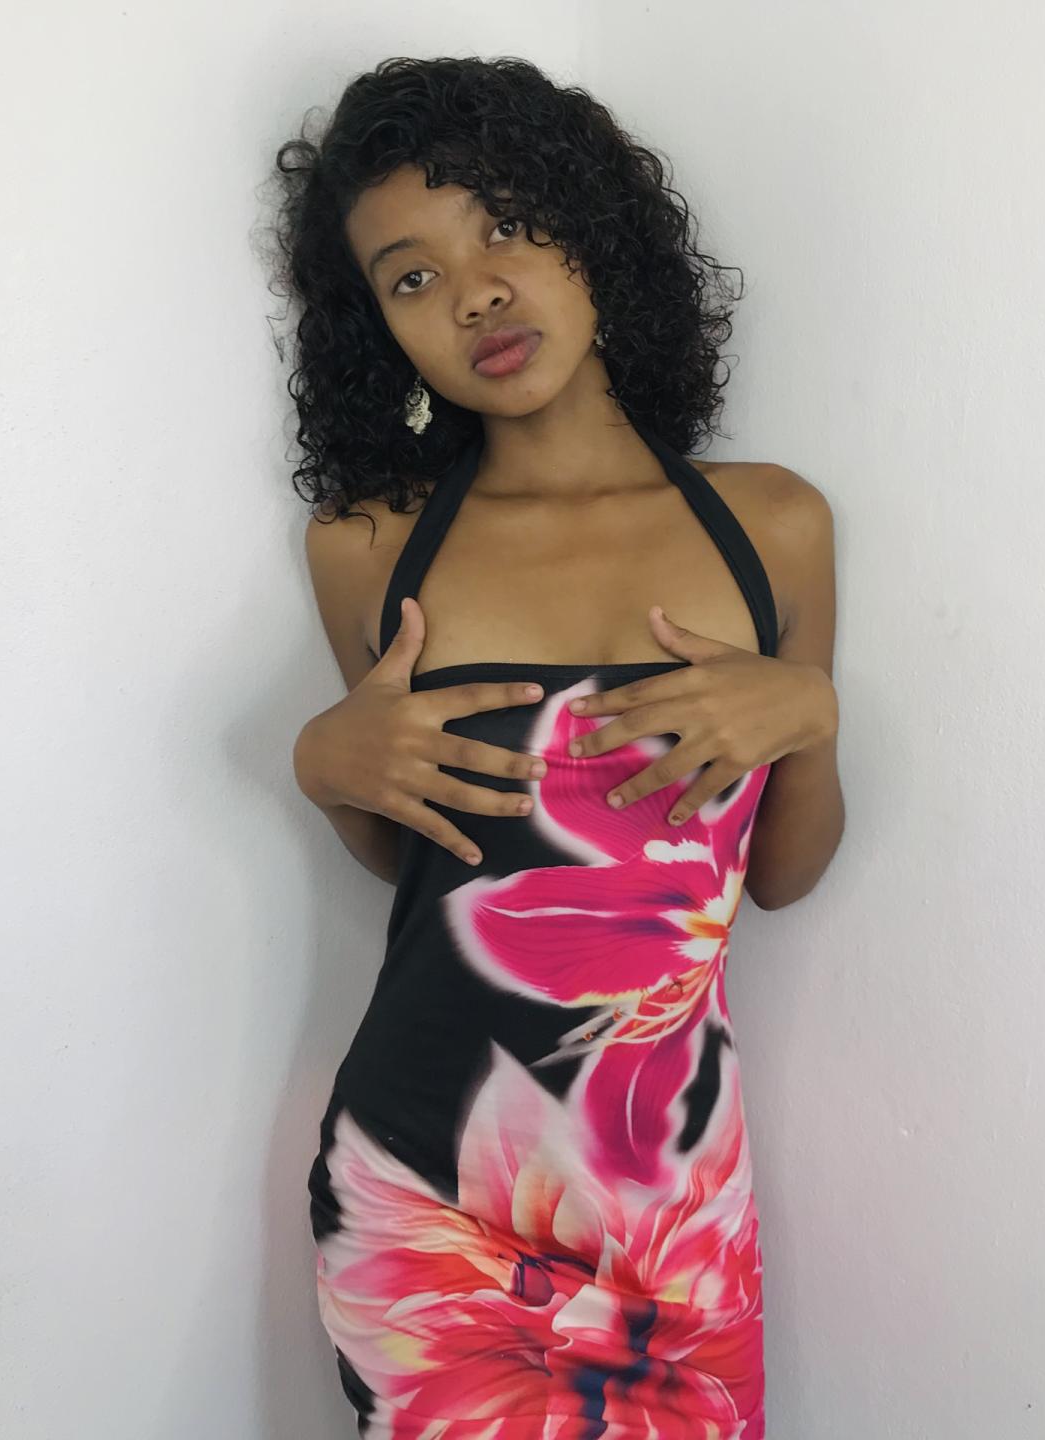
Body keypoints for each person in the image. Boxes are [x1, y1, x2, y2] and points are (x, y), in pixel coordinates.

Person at [262, 53, 844, 1438]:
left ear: (594, 233)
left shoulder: (770, 526)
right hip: (428, 1195)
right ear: (378, 331)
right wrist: (323, 768)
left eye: (507, 227)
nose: (474, 293)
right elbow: (426, 864)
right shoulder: (368, 546)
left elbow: (781, 876)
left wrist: (813, 717)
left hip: (674, 1199)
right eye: (412, 277)